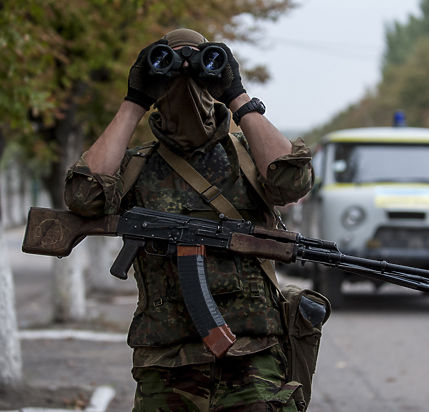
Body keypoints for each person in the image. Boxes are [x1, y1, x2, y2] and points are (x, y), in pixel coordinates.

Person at [64, 28, 314, 411]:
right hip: (164, 363)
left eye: (197, 68)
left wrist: (237, 96)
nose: (185, 82)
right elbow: (83, 197)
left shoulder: (248, 157)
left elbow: (292, 181)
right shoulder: (135, 166)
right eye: (171, 68)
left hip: (253, 360)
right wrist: (134, 101)